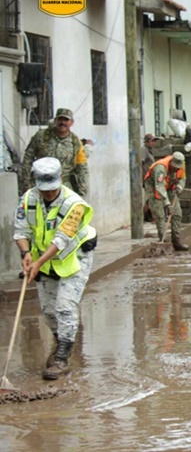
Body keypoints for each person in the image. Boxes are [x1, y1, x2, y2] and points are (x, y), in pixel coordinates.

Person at [13, 157, 97, 380]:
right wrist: (26, 253)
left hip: (74, 257)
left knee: (64, 307)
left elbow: (62, 239)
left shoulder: (74, 204)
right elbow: (21, 231)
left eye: (52, 190)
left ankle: (61, 357)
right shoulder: (28, 199)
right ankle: (62, 340)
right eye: (44, 190)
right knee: (49, 311)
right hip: (45, 258)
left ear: (60, 181)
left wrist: (38, 263)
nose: (48, 194)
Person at [21, 108, 89, 197]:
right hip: (41, 186)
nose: (63, 122)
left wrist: (82, 192)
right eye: (60, 119)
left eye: (66, 120)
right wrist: (26, 184)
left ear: (72, 122)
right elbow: (27, 158)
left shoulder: (76, 142)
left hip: (65, 188)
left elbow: (82, 168)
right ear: (56, 120)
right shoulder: (41, 137)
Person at [143, 151, 189, 251]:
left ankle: (176, 241)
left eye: (178, 167)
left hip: (170, 186)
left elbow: (182, 178)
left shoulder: (182, 165)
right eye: (174, 167)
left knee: (177, 213)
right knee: (160, 216)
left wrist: (180, 187)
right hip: (155, 188)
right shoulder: (160, 167)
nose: (176, 169)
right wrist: (167, 204)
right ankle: (165, 242)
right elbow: (159, 186)